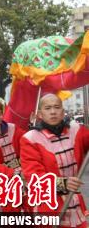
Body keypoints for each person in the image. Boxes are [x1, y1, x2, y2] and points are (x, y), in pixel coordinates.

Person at [20, 93, 89, 227]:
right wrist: (63, 183)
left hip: (75, 201)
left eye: (57, 107)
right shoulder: (30, 138)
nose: (53, 112)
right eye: (48, 108)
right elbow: (34, 176)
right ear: (40, 114)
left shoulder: (77, 130)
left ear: (63, 112)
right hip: (48, 204)